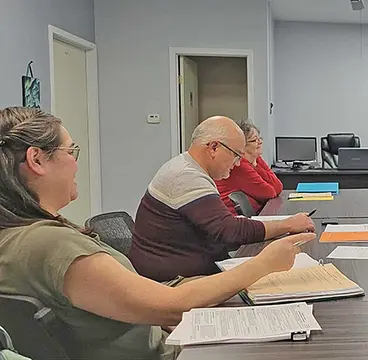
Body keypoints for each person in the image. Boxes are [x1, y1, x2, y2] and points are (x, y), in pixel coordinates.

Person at [0, 107, 315, 360]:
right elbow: (173, 303)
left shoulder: (18, 238)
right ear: (37, 160)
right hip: (168, 346)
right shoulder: (52, 246)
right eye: (72, 152)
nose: (77, 165)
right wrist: (265, 262)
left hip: (154, 326)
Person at [129, 116, 315, 282]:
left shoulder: (189, 168)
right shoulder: (186, 176)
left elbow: (222, 227)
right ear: (214, 148)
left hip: (190, 269)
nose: (237, 163)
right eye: (236, 155)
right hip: (175, 282)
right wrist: (288, 224)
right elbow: (228, 230)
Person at [215, 120, 283, 215]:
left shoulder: (255, 159)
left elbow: (278, 186)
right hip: (237, 219)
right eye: (255, 140)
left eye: (259, 138)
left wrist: (256, 164)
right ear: (242, 145)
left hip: (255, 214)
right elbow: (269, 193)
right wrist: (256, 165)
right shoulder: (239, 165)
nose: (260, 142)